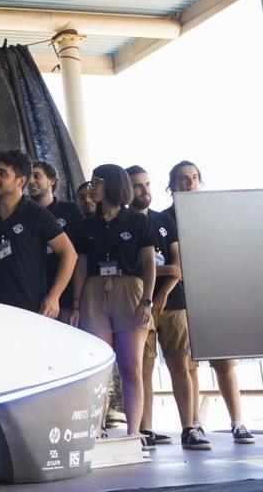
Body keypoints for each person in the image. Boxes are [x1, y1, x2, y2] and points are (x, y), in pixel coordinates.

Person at [163, 160, 254, 444]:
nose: (188, 184)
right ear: (172, 185)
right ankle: (194, 423)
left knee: (224, 363)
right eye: (182, 179)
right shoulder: (164, 219)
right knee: (188, 365)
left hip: (214, 297)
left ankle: (237, 422)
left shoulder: (215, 213)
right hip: (180, 299)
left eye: (193, 178)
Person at [70, 164, 156, 439]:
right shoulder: (86, 225)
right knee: (99, 366)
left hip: (130, 289)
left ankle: (134, 433)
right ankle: (96, 431)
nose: (92, 187)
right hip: (94, 290)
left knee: (131, 366)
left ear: (113, 185)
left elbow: (149, 264)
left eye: (97, 182)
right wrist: (76, 303)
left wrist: (147, 301)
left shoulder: (138, 222)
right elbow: (81, 265)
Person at [126, 165, 209, 450]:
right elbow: (132, 268)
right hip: (138, 305)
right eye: (138, 186)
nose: (144, 190)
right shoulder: (123, 223)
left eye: (147, 184)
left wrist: (160, 288)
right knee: (143, 367)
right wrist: (158, 273)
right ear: (126, 189)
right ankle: (146, 428)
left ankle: (189, 427)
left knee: (180, 364)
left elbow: (178, 265)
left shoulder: (164, 220)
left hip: (172, 303)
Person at [0, 150, 76, 315]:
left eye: (2, 174)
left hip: (29, 310)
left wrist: (54, 297)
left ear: (21, 181)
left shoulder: (37, 214)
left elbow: (69, 253)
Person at [29, 161, 85, 322]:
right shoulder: (26, 214)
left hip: (67, 297)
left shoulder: (70, 210)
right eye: (29, 177)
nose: (31, 181)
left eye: (37, 176)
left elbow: (80, 253)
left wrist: (77, 302)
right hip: (34, 297)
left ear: (51, 180)